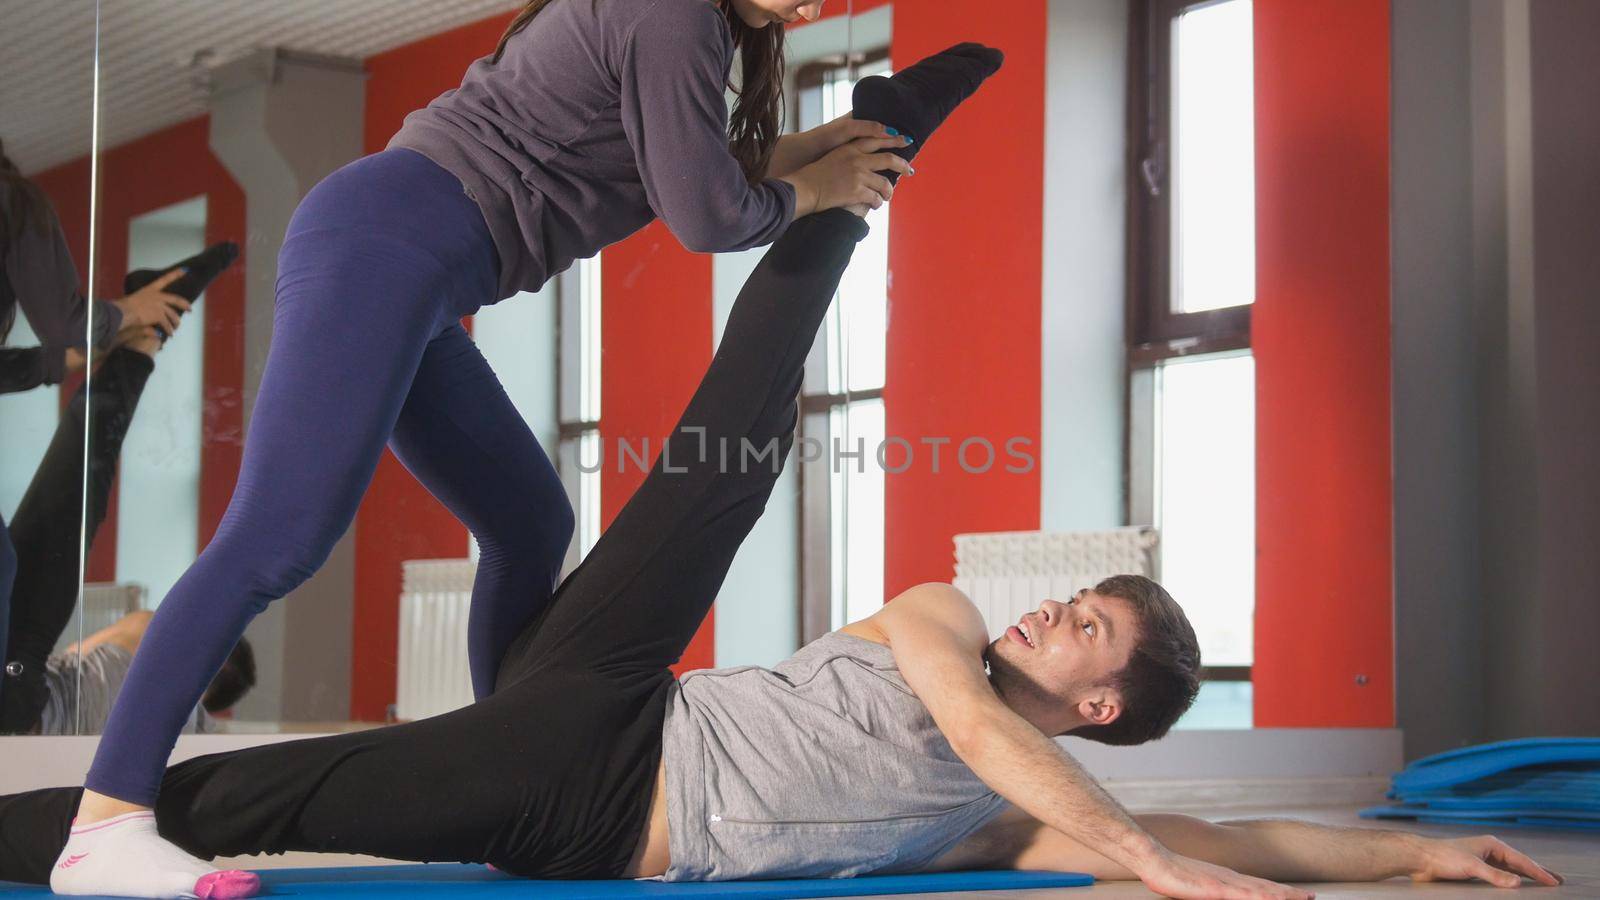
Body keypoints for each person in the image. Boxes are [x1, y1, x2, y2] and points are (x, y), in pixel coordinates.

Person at [0, 46, 1562, 900]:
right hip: (635, 690)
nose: (1053, 610)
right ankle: (863, 178)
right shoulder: (953, 630)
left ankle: (112, 816)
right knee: (723, 467)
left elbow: (1246, 838)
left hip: (590, 796)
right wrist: (1151, 860)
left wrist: (1409, 847)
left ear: (1104, 707)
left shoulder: (1010, 815)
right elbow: (1038, 761)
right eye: (1076, 598)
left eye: (1088, 627)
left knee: (265, 793)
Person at [67, 2, 913, 887]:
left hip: (413, 258)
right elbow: (706, 215)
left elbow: (678, 169)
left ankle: (501, 778)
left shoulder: (682, 20)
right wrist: (821, 188)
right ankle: (106, 820)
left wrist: (817, 147)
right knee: (274, 539)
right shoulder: (676, 11)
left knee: (529, 522)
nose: (817, 4)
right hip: (387, 243)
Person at [1, 247, 250, 737]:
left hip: (18, 700)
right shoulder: (165, 709)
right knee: (62, 512)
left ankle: (141, 345)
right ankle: (141, 346)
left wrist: (114, 324)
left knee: (62, 512)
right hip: (22, 690)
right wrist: (114, 327)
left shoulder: (174, 713)